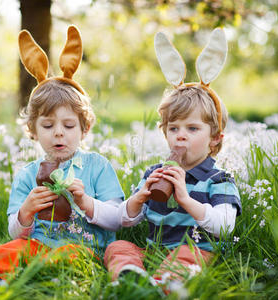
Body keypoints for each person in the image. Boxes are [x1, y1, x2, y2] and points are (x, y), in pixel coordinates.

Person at [0, 25, 124, 282]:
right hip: (37, 246)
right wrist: (26, 212)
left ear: (85, 128)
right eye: (48, 126)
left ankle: (10, 278)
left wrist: (86, 203)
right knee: (13, 250)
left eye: (68, 125)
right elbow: (17, 233)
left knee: (68, 254)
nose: (58, 133)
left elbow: (117, 219)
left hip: (85, 251)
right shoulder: (28, 174)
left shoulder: (97, 167)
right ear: (32, 130)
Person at [98, 28, 241, 293]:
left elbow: (224, 226)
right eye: (173, 129)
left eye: (192, 129)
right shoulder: (155, 172)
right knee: (118, 247)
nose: (180, 137)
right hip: (155, 252)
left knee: (188, 254)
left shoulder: (219, 179)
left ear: (215, 139)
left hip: (197, 253)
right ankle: (131, 275)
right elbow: (126, 221)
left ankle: (164, 283)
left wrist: (186, 199)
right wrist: (139, 198)